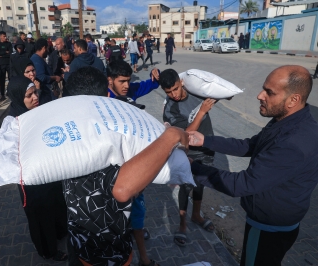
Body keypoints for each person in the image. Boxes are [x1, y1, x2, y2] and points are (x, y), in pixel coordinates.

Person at [188, 65, 318, 266]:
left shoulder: (294, 142)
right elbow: (249, 145)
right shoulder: (285, 119)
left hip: (268, 228)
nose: (259, 95)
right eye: (263, 88)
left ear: (294, 100)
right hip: (269, 220)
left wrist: (190, 168)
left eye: (269, 92)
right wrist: (204, 140)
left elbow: (241, 184)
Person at [63, 66, 189, 265]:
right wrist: (170, 137)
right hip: (106, 251)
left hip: (79, 241)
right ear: (106, 94)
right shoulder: (99, 141)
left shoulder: (69, 130)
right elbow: (122, 189)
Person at [6, 75, 68, 261]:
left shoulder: (38, 112)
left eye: (35, 93)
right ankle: (47, 250)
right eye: (29, 95)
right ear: (19, 98)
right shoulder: (13, 123)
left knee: (56, 203)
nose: (35, 97)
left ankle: (60, 232)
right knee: (40, 214)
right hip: (31, 180)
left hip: (49, 172)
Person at [107, 60, 161, 266]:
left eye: (128, 80)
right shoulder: (102, 99)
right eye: (122, 81)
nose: (127, 85)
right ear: (109, 80)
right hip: (112, 167)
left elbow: (150, 85)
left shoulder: (130, 93)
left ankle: (144, 259)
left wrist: (157, 76)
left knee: (137, 211)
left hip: (133, 164)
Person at [159, 69, 216, 247]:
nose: (173, 94)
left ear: (181, 82)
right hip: (188, 152)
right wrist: (202, 112)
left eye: (175, 89)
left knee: (201, 183)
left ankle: (196, 215)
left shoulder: (195, 91)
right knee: (186, 186)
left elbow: (218, 92)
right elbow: (186, 133)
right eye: (168, 92)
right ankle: (182, 224)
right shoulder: (169, 109)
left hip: (207, 146)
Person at [0, 31, 13, 101]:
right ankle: (2, 95)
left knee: (11, 78)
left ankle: (9, 91)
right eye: (4, 36)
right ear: (0, 37)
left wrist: (2, 55)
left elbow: (10, 53)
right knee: (2, 80)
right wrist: (5, 52)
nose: (5, 37)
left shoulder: (9, 44)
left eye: (6, 36)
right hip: (2, 64)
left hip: (9, 63)